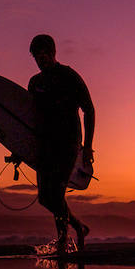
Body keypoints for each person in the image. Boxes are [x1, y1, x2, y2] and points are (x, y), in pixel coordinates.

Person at [28, 34, 95, 252]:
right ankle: (78, 227)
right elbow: (29, 120)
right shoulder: (35, 83)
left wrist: (87, 147)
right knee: (45, 198)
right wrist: (20, 148)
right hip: (45, 145)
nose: (41, 58)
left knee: (56, 194)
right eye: (37, 55)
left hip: (68, 143)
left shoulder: (69, 76)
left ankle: (62, 241)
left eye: (45, 53)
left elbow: (89, 110)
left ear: (53, 52)